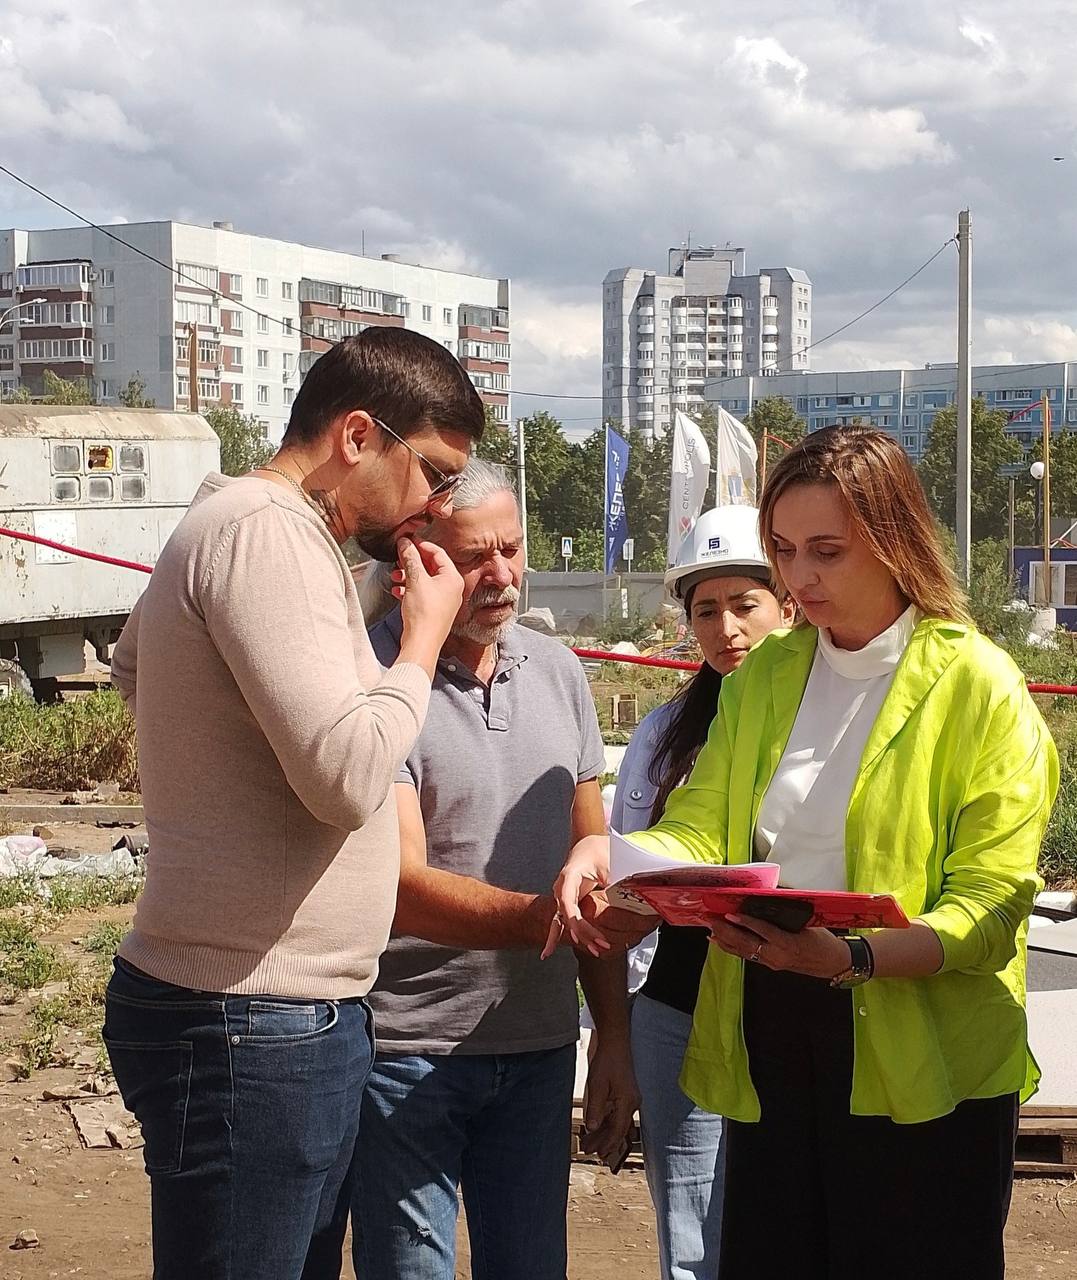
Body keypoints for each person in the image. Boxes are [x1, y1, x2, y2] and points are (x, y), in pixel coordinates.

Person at [558, 425, 1059, 1279]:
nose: (798, 578)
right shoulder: (765, 677)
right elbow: (702, 827)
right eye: (784, 550)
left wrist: (852, 957)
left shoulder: (980, 685)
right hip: (773, 1029)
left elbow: (989, 908)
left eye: (826, 550)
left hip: (923, 1054)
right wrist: (615, 856)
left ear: (895, 541)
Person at [104, 329, 485, 1280]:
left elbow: (134, 666)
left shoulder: (244, 524)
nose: (435, 506)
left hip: (266, 1011)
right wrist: (420, 646)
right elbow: (349, 776)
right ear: (359, 435)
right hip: (251, 1015)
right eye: (432, 473)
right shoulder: (264, 530)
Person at [353, 460, 649, 1280]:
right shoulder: (379, 681)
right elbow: (401, 886)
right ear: (417, 558)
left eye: (511, 550)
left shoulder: (556, 672)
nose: (501, 576)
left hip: (538, 1048)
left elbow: (595, 870)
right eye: (474, 557)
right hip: (405, 1050)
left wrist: (613, 1042)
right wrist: (546, 921)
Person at [591, 504, 793, 1280]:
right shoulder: (664, 732)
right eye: (705, 610)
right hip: (677, 1009)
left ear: (787, 605)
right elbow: (630, 878)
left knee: (791, 1221)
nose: (725, 629)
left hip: (792, 1000)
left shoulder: (827, 725)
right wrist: (616, 1032)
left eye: (745, 604)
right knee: (692, 1234)